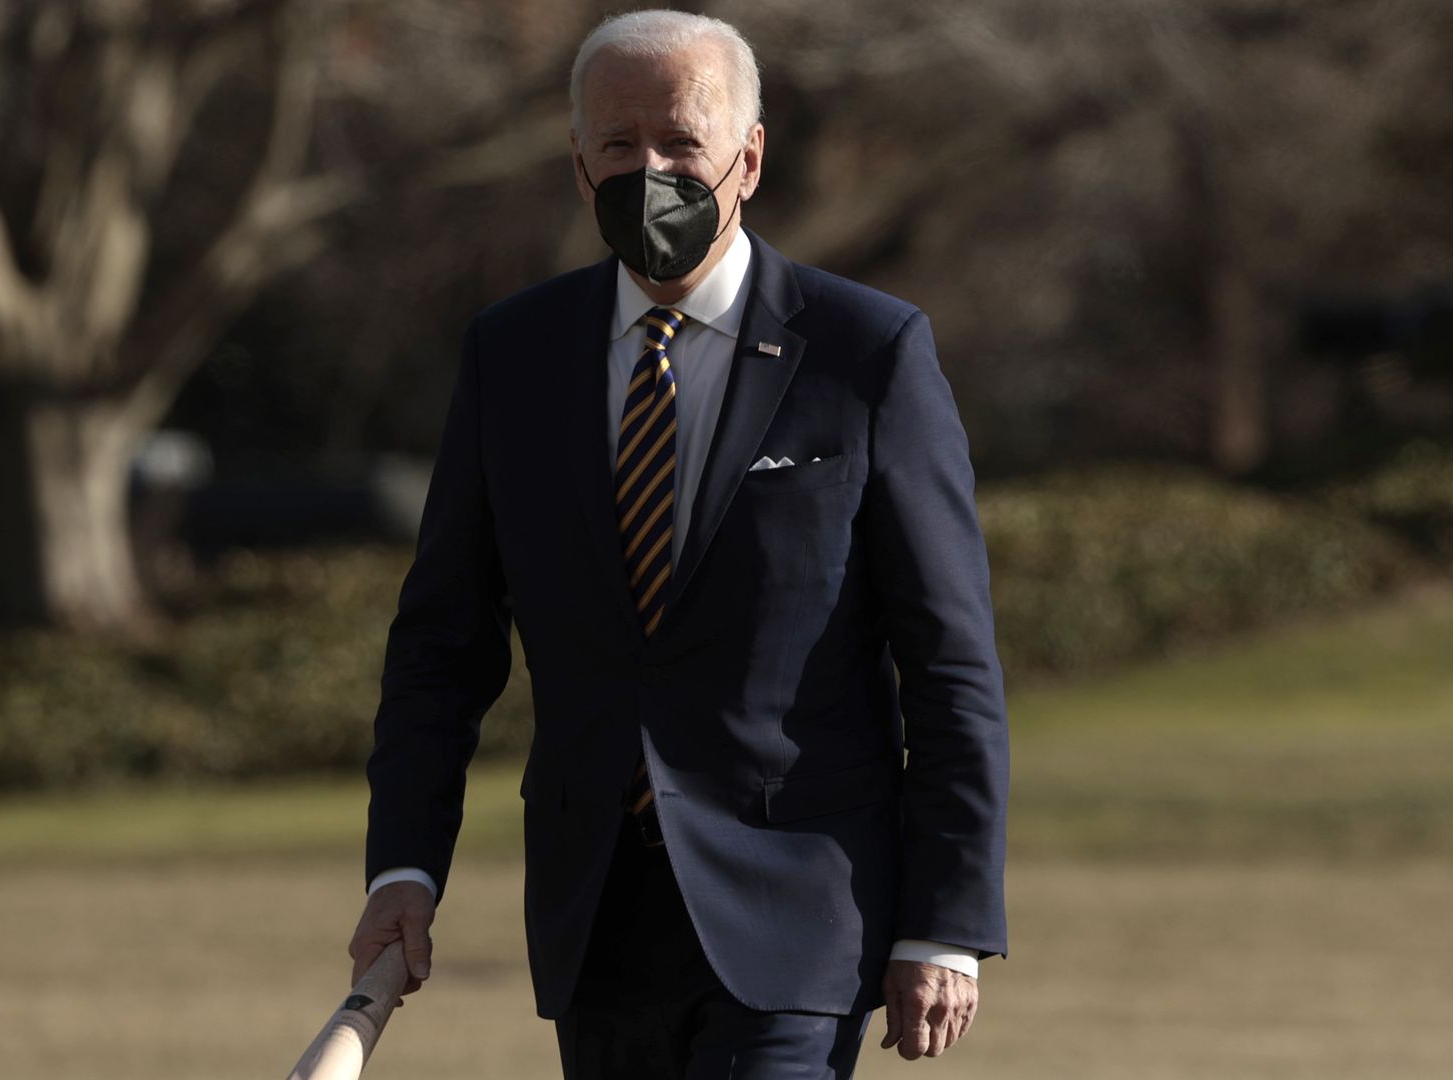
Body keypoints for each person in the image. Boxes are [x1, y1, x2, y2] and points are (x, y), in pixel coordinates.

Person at [347, 11, 1008, 1078]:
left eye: (680, 142)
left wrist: (945, 923)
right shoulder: (512, 356)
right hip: (595, 919)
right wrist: (404, 870)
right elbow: (441, 647)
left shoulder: (866, 352)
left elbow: (950, 665)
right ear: (577, 164)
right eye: (617, 145)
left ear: (747, 157)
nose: (647, 170)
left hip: (801, 911)